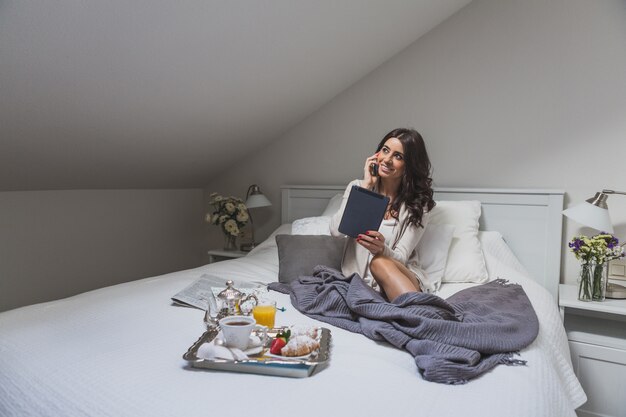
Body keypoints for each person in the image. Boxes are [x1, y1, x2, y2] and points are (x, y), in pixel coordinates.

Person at [330, 128, 436, 301]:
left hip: (402, 277)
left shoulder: (418, 204)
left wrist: (382, 249)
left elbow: (401, 257)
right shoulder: (358, 187)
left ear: (409, 165)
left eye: (398, 156)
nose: (387, 160)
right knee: (377, 263)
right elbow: (336, 231)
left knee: (379, 261)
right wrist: (366, 188)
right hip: (360, 282)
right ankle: (418, 315)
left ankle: (421, 315)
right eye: (385, 150)